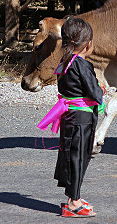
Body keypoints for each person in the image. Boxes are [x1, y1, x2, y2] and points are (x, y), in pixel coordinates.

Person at [37, 17, 103, 218]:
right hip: (81, 118)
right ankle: (73, 203)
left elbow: (67, 87)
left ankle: (74, 197)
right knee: (78, 157)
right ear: (87, 44)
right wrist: (101, 90)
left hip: (70, 116)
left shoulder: (63, 62)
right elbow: (94, 92)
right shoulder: (82, 65)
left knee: (71, 154)